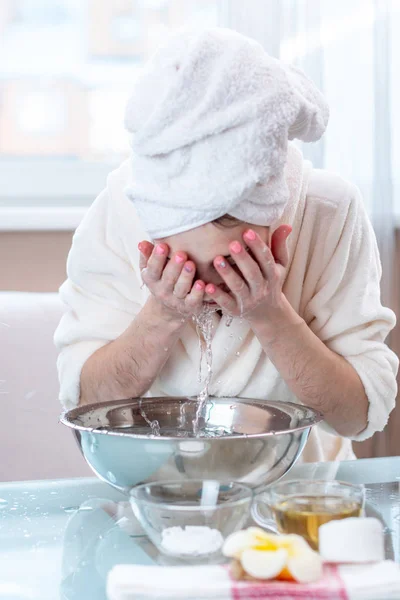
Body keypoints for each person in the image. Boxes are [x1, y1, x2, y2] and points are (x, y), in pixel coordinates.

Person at [54, 27, 398, 463]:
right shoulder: (118, 209)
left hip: (294, 500)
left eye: (225, 272)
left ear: (273, 226)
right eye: (176, 268)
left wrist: (270, 313)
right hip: (150, 493)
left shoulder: (329, 210)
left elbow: (359, 417)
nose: (203, 293)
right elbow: (83, 405)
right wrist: (161, 315)